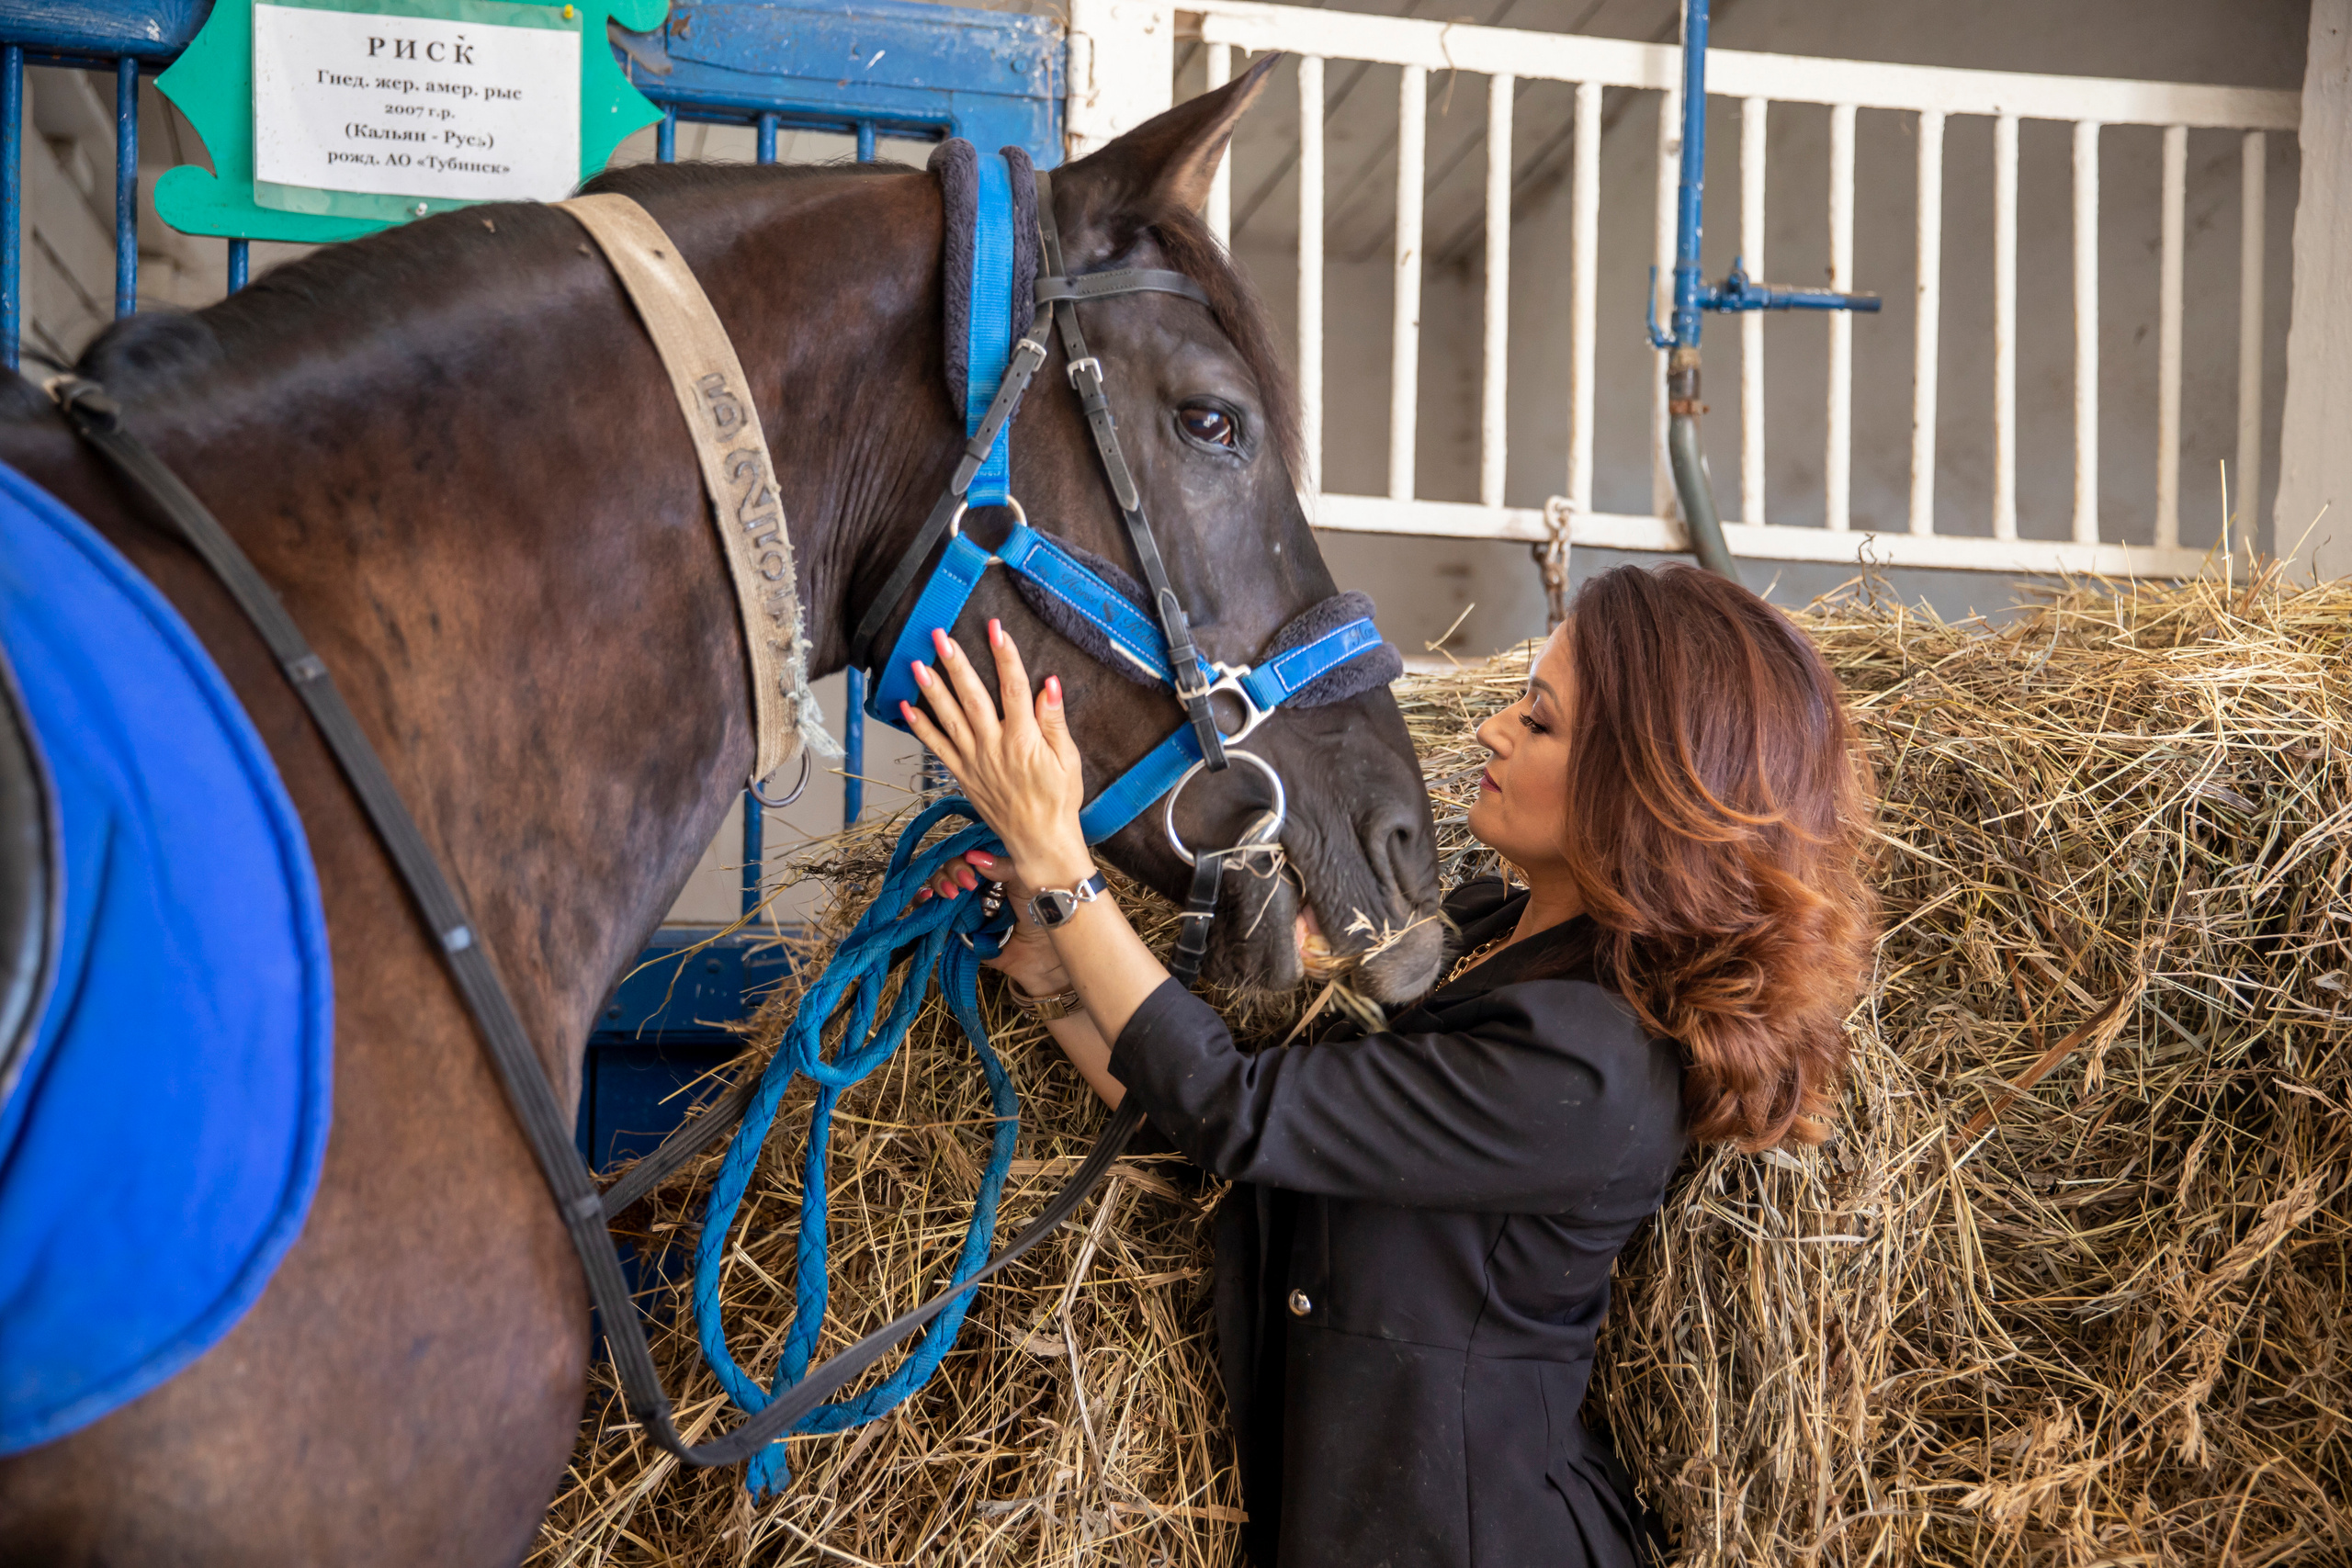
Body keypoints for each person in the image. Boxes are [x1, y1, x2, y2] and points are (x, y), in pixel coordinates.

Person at [898, 563, 1876, 1568]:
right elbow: (1249, 1137)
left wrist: (1060, 860)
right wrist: (1050, 969)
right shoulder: (1490, 936)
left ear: (1642, 791)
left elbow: (1235, 1109)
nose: (1492, 729)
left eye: (1539, 722)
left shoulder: (1588, 1065)